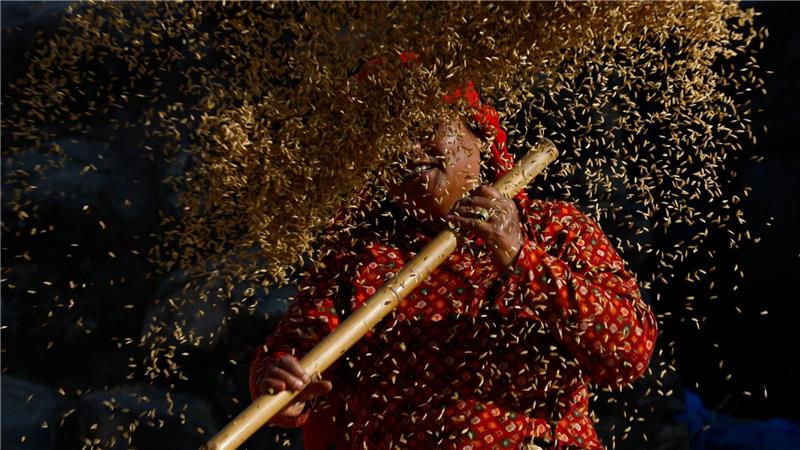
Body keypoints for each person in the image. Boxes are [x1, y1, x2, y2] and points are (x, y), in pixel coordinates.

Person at [248, 81, 658, 450]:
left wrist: (520, 255)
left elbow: (630, 352)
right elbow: (294, 352)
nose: (407, 150)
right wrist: (284, 386)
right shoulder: (358, 258)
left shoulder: (553, 229)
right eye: (388, 142)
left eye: (424, 130)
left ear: (477, 136)